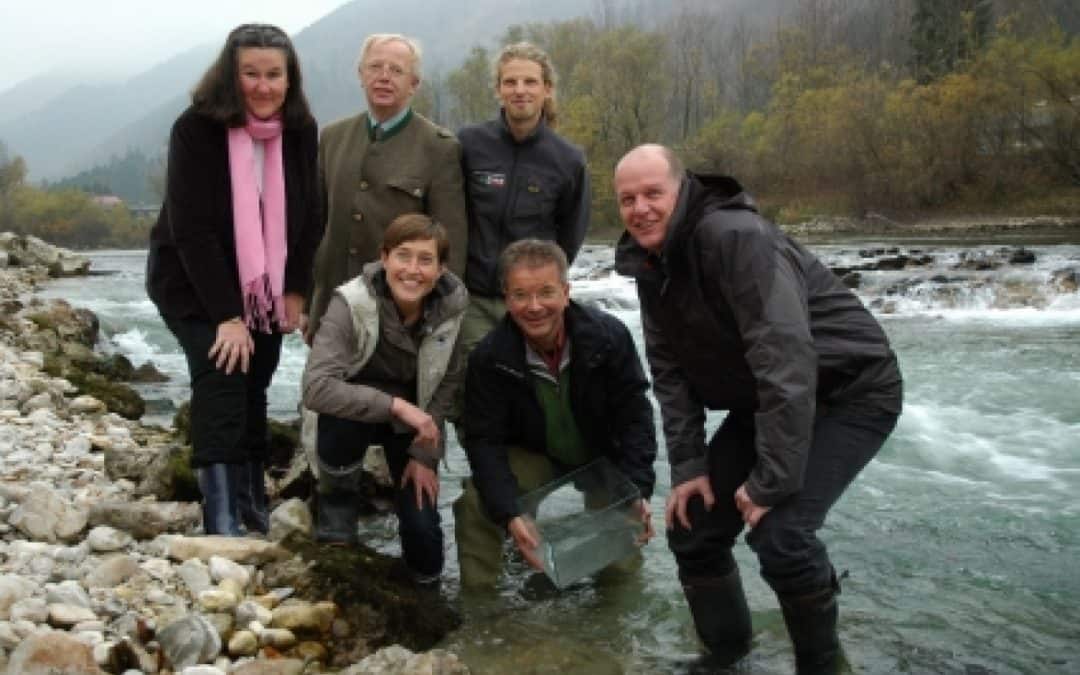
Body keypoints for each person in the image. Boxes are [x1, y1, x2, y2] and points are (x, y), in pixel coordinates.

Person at [612, 144, 903, 673]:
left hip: (850, 390)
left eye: (653, 193)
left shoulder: (737, 239)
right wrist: (689, 466)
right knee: (693, 525)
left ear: (682, 191)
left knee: (782, 534)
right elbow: (670, 374)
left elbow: (786, 363)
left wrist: (771, 482)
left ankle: (823, 665)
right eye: (628, 199)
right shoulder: (650, 264)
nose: (641, 209)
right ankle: (728, 658)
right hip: (770, 400)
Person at [146, 24, 321, 536]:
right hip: (191, 280)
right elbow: (192, 231)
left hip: (266, 283)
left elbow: (311, 214)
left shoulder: (301, 129)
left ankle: (250, 504)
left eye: (274, 75)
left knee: (257, 379)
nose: (262, 86)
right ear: (231, 75)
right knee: (223, 373)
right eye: (251, 74)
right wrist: (227, 316)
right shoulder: (195, 129)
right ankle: (220, 518)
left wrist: (295, 288)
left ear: (290, 80)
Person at [454, 239, 656, 590]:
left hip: (600, 453)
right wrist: (510, 513)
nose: (534, 307)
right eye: (520, 295)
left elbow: (636, 416)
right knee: (475, 503)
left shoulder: (609, 338)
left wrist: (637, 488)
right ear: (506, 298)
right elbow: (484, 441)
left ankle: (614, 624)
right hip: (535, 454)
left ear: (566, 291)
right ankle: (481, 611)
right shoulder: (488, 358)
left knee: (622, 553)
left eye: (546, 292)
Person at [302, 214, 467, 585]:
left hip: (411, 428)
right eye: (403, 256)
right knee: (341, 414)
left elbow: (448, 381)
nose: (413, 270)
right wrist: (395, 405)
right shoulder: (350, 301)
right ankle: (337, 501)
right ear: (384, 257)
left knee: (426, 549)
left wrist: (425, 454)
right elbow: (316, 387)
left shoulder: (452, 307)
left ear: (441, 270)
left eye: (425, 260)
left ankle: (426, 602)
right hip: (352, 418)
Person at [308, 33, 467, 341]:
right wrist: (308, 303)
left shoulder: (439, 148)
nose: (383, 77)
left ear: (414, 83)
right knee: (322, 389)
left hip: (400, 315)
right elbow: (315, 226)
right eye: (375, 67)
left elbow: (451, 244)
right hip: (332, 308)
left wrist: (437, 320)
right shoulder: (332, 137)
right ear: (361, 75)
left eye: (396, 70)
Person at [455, 42, 590, 355]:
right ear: (498, 89)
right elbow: (451, 214)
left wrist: (541, 287)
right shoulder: (469, 145)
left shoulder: (568, 160)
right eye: (510, 82)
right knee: (474, 388)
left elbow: (569, 237)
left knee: (530, 392)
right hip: (472, 299)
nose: (520, 90)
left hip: (533, 306)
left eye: (530, 82)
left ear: (547, 89)